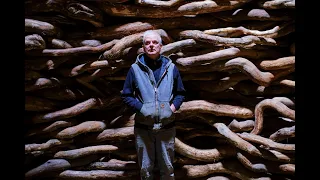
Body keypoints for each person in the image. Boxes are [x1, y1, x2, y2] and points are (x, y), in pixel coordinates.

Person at [121, 30, 186, 180]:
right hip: (144, 129)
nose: (151, 45)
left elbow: (180, 93)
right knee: (146, 170)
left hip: (166, 128)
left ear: (161, 46)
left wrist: (171, 109)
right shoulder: (135, 69)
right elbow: (126, 95)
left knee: (168, 169)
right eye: (147, 43)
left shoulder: (171, 68)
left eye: (155, 42)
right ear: (143, 47)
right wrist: (143, 109)